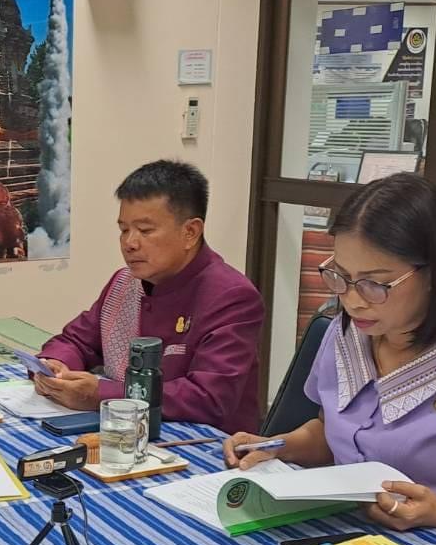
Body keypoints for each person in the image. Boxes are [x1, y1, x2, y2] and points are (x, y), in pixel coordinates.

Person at [225, 172, 436, 545]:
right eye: (340, 277)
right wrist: (278, 445)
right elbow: (331, 433)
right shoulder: (345, 334)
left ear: (433, 273)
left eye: (375, 284)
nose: (353, 301)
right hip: (343, 537)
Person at [35, 160, 264, 433]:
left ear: (190, 232)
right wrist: (57, 367)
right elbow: (75, 340)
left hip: (201, 443)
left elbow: (208, 398)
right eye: (124, 230)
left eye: (145, 231)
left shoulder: (230, 296)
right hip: (125, 431)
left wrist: (102, 394)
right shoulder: (125, 283)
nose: (129, 243)